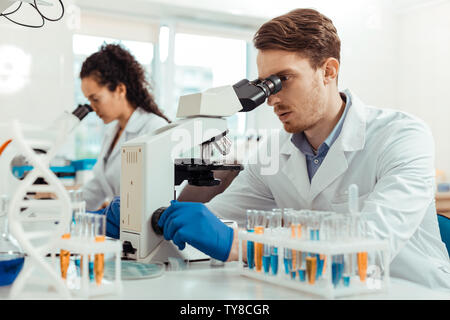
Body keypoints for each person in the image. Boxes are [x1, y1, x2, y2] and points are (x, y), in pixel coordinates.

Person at [101, 9, 450, 290]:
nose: (272, 98)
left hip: (407, 288)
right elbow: (214, 225)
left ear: (328, 71)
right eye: (265, 85)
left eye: (284, 80)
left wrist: (241, 245)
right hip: (318, 289)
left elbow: (371, 249)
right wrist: (149, 219)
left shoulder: (402, 136)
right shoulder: (273, 154)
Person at [79, 43, 171, 211]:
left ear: (120, 89)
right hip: (119, 230)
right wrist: (61, 203)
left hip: (145, 231)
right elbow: (98, 187)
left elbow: (157, 196)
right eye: (89, 100)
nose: (92, 107)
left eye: (96, 99)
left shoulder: (154, 128)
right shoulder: (111, 132)